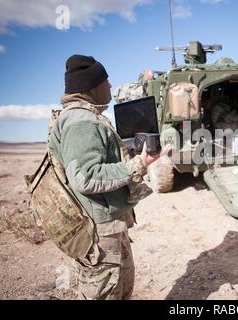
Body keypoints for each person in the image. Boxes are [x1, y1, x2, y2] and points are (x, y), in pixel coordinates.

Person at [48, 54, 170, 300]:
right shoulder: (82, 122)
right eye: (106, 80)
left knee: (120, 291)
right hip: (99, 231)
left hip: (107, 225)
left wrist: (133, 158)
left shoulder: (84, 117)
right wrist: (136, 164)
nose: (111, 86)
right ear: (91, 87)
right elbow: (85, 176)